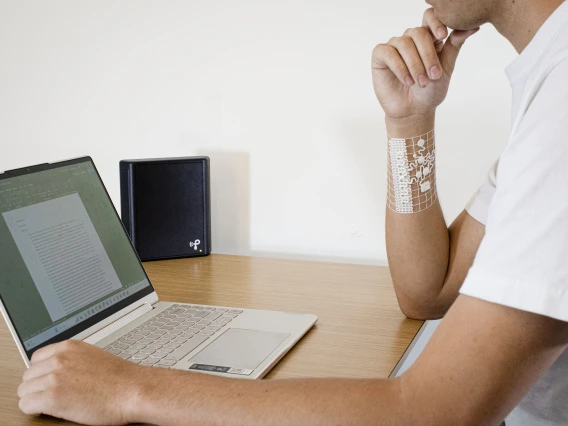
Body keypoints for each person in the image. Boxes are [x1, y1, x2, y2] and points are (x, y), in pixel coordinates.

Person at [16, 0, 568, 424]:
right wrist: (408, 123)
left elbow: (432, 413)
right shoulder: (548, 84)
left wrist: (128, 389)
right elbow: (429, 290)